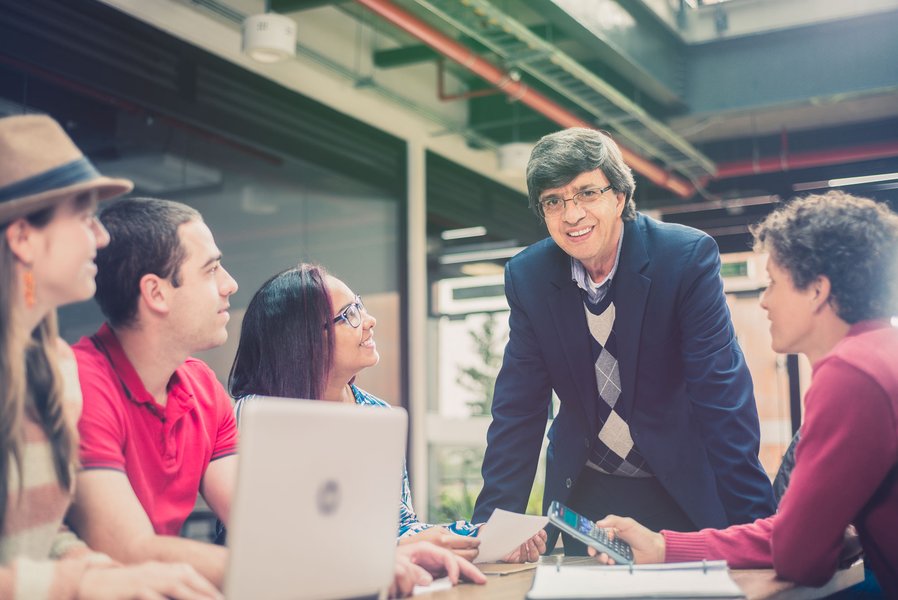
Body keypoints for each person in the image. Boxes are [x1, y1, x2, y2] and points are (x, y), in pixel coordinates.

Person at [68, 198, 485, 595]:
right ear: (156, 293)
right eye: (211, 270)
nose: (230, 285)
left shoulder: (201, 387)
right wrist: (350, 565)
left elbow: (264, 526)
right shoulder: (82, 384)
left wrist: (383, 555)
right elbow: (129, 549)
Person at [472, 127, 775, 554]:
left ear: (619, 196)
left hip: (682, 487)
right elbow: (519, 409)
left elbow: (722, 397)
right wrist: (490, 534)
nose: (571, 215)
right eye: (553, 201)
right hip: (590, 493)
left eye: (587, 193)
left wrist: (761, 535)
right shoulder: (529, 277)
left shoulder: (684, 260)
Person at [591, 191, 898, 599]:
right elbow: (798, 534)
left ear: (817, 290)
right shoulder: (883, 353)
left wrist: (829, 540)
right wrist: (665, 546)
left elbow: (799, 557)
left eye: (773, 282)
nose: (765, 301)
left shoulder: (850, 375)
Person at [0, 114, 220, 599]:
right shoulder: (78, 373)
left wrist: (106, 575)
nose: (100, 237)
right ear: (22, 238)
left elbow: (34, 539)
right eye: (84, 219)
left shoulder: (53, 369)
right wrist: (84, 584)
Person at [228, 264, 547, 563]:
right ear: (303, 339)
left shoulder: (376, 414)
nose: (369, 320)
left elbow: (401, 526)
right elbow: (273, 537)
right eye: (349, 315)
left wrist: (480, 539)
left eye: (359, 305)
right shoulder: (253, 415)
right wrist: (395, 549)